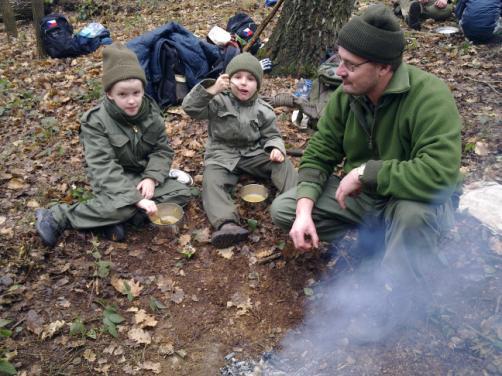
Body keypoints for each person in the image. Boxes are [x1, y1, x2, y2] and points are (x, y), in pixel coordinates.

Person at [270, 4, 461, 340]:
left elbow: (440, 173)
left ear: (384, 67)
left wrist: (363, 173)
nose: (340, 72)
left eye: (351, 65)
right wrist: (304, 210)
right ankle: (376, 241)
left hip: (410, 199)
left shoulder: (430, 96)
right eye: (339, 60)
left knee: (413, 215)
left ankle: (397, 305)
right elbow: (320, 152)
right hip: (365, 200)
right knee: (286, 208)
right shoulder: (348, 95)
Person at [35, 43, 192, 248]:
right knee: (124, 207)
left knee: (182, 193)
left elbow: (161, 149)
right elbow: (103, 167)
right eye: (123, 95)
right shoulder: (95, 121)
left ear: (143, 89)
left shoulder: (151, 113)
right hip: (112, 179)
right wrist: (135, 199)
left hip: (142, 176)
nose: (132, 101)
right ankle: (58, 216)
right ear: (109, 93)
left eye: (136, 93)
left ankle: (113, 223)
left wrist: (151, 178)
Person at [182, 53, 298, 249]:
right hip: (222, 154)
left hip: (253, 153)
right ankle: (227, 224)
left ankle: (295, 203)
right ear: (228, 80)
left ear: (258, 85)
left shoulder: (263, 109)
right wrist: (212, 89)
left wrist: (276, 148)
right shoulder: (218, 100)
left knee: (283, 164)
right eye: (238, 77)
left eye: (250, 79)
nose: (244, 83)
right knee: (211, 180)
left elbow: (272, 135)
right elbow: (190, 108)